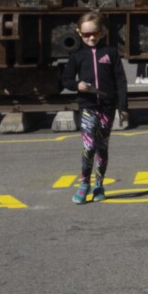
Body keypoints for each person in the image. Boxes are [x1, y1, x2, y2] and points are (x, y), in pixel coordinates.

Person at [60, 11, 128, 204]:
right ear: (79, 34)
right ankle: (84, 183)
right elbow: (65, 79)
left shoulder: (111, 53)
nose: (91, 38)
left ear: (102, 32)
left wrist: (123, 107)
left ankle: (99, 184)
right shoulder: (77, 56)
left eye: (95, 34)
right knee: (89, 147)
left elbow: (121, 81)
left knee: (102, 148)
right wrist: (76, 85)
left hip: (107, 107)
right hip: (87, 106)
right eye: (86, 34)